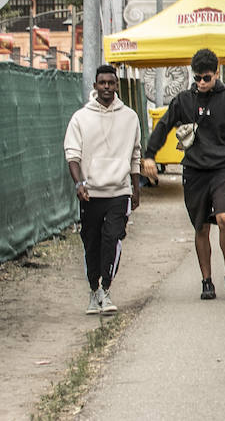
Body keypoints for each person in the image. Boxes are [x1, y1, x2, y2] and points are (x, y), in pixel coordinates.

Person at [143, 48, 225, 299]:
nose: (201, 83)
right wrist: (150, 155)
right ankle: (206, 280)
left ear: (216, 73)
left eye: (206, 78)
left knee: (224, 218)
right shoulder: (183, 100)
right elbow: (164, 126)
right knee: (201, 227)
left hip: (224, 169)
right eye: (197, 78)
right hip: (194, 170)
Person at [65, 64, 141, 315]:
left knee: (112, 238)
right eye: (102, 83)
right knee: (92, 243)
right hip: (91, 192)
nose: (107, 87)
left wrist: (135, 189)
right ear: (95, 85)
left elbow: (135, 154)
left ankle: (106, 290)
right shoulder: (80, 118)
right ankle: (93, 290)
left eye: (111, 82)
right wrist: (79, 183)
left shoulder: (130, 117)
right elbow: (72, 155)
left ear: (117, 85)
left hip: (119, 191)